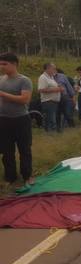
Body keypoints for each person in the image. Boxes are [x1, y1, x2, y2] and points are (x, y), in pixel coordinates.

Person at [0, 53, 34, 187]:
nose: (1, 67)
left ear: (14, 64)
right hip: (3, 120)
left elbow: (25, 99)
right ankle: (10, 177)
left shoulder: (24, 80)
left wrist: (3, 94)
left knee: (24, 149)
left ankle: (27, 176)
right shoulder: (1, 79)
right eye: (1, 64)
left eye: (4, 64)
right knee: (7, 151)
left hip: (21, 120)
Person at [38, 63, 63, 132]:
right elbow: (41, 90)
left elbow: (53, 87)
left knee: (52, 119)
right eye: (53, 68)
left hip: (53, 102)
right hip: (48, 102)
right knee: (50, 120)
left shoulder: (51, 77)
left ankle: (51, 135)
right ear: (48, 69)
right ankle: (50, 135)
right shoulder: (43, 77)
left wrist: (59, 88)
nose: (55, 70)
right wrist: (57, 89)